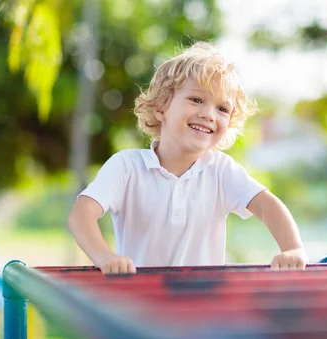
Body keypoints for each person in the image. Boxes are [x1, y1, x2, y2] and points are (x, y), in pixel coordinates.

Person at [68, 41, 309, 275]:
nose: (208, 114)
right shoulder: (126, 166)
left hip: (202, 307)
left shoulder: (221, 171)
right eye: (196, 100)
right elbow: (82, 213)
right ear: (161, 107)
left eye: (222, 109)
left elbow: (268, 207)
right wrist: (105, 257)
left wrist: (293, 248)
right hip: (139, 304)